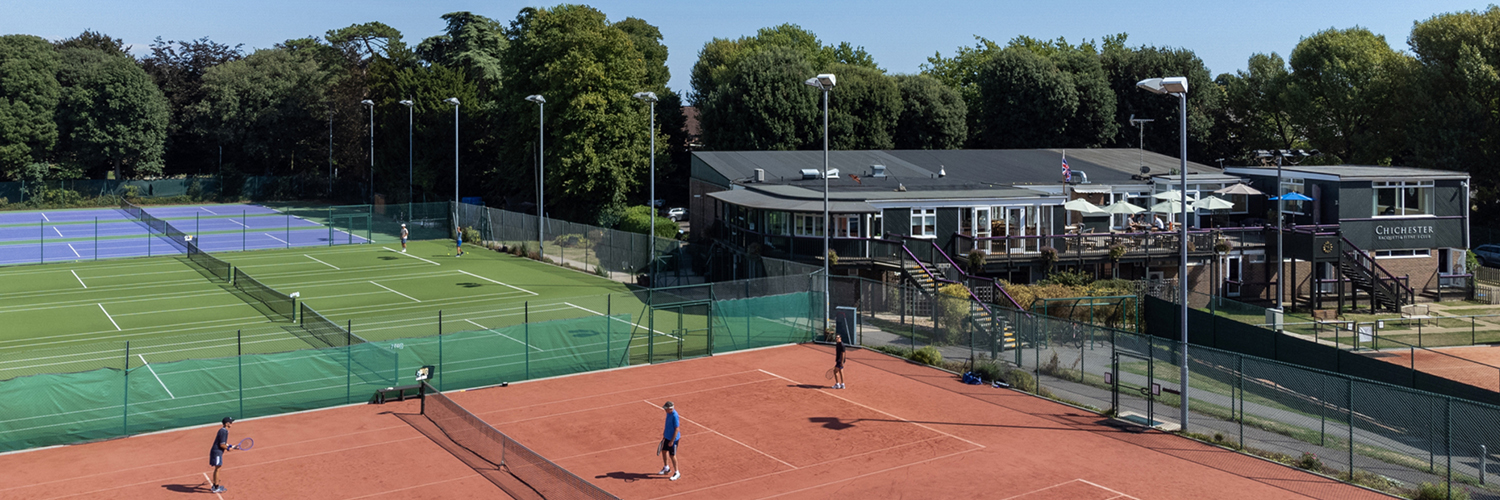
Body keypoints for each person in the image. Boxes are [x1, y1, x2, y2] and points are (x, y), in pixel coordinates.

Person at [208, 417, 237, 493]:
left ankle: (215, 485)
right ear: (227, 424)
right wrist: (228, 449)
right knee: (218, 468)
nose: (231, 424)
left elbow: (223, 443)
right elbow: (222, 445)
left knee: (218, 468)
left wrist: (231, 446)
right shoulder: (224, 432)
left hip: (217, 452)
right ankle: (216, 487)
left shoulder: (222, 430)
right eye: (230, 422)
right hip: (217, 452)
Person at [658, 401, 681, 481]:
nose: (665, 410)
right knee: (664, 451)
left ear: (670, 409)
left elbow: (677, 429)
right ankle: (666, 468)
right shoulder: (668, 413)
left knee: (672, 455)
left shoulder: (675, 416)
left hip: (673, 439)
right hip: (667, 437)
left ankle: (677, 472)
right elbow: (667, 424)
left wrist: (672, 441)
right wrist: (665, 435)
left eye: (666, 409)